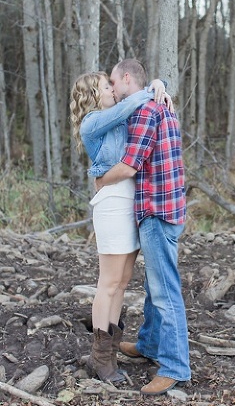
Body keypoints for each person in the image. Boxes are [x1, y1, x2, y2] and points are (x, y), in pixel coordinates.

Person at [95, 58, 190, 396]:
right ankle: (149, 343)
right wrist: (159, 83)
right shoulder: (157, 102)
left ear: (125, 78)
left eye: (112, 82)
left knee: (165, 292)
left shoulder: (146, 112)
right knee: (156, 285)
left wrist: (100, 180)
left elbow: (130, 165)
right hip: (168, 207)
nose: (112, 88)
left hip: (156, 210)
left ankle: (175, 366)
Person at [70, 72, 170, 383]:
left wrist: (159, 84)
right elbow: (128, 106)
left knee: (123, 282)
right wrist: (151, 88)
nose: (113, 89)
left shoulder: (116, 118)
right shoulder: (93, 121)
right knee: (109, 283)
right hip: (112, 203)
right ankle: (100, 359)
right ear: (92, 95)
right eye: (106, 86)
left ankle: (107, 355)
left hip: (130, 202)